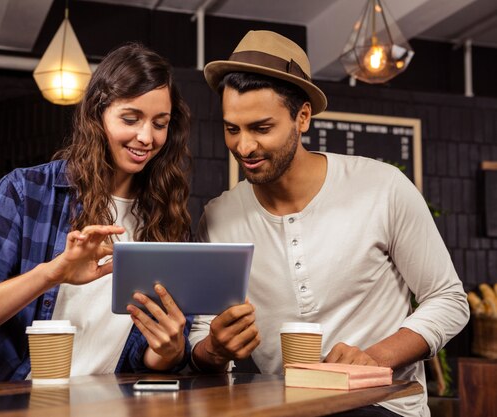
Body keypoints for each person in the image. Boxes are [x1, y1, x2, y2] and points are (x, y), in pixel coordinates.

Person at [189, 30, 469, 417]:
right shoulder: (218, 217)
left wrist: (374, 357)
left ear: (302, 117)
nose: (244, 147)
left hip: (384, 405)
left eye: (261, 128)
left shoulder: (382, 187)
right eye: (232, 129)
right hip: (287, 408)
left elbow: (449, 300)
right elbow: (203, 334)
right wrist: (214, 350)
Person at [0, 42, 193, 388]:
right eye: (130, 118)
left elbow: (139, 356)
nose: (146, 137)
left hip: (95, 404)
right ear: (98, 114)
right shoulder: (24, 192)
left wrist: (169, 350)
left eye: (160, 123)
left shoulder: (167, 223)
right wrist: (52, 273)